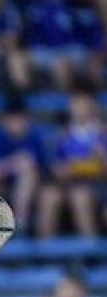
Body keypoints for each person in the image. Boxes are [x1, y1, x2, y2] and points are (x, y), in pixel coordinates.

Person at [38, 89, 107, 237]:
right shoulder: (63, 135)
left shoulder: (102, 133)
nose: (80, 109)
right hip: (67, 183)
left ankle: (89, 251)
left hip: (96, 185)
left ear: (93, 106)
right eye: (76, 104)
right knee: (48, 196)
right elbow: (56, 167)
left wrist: (89, 163)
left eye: (84, 104)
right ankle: (44, 254)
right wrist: (62, 170)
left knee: (79, 196)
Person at [0, 98, 48, 233]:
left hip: (33, 191)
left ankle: (20, 223)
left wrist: (4, 167)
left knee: (28, 172)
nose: (16, 123)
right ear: (5, 120)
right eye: (12, 119)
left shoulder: (34, 139)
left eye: (20, 119)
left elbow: (30, 163)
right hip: (3, 186)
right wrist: (9, 165)